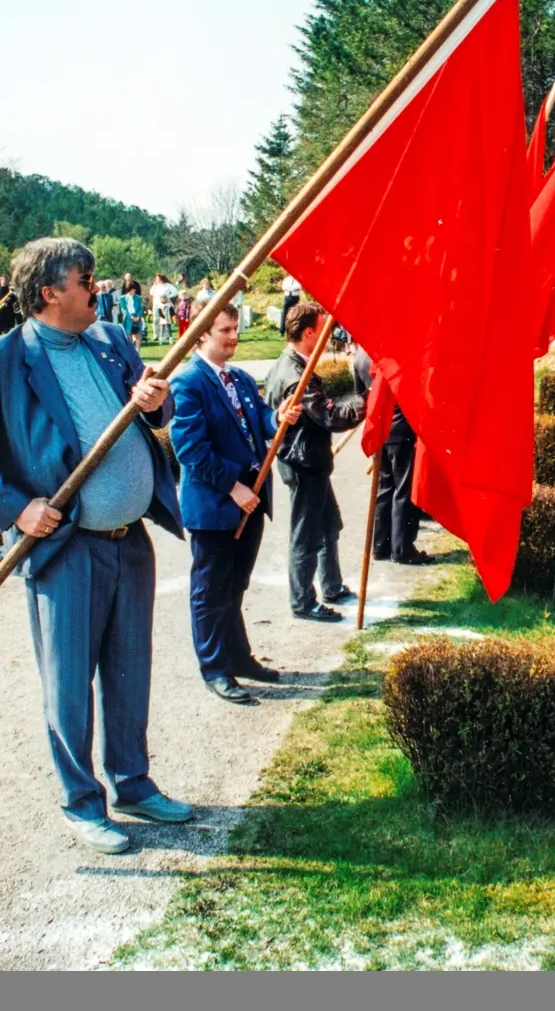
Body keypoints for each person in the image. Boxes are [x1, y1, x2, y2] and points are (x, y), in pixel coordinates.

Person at [0, 237, 191, 855]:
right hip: (66, 550)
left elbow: (146, 421)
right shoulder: (7, 361)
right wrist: (16, 508)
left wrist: (156, 410)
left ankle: (133, 783)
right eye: (86, 278)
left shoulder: (110, 341)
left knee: (130, 672)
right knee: (69, 682)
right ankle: (82, 803)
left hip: (129, 540)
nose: (97, 287)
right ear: (49, 292)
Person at [170, 304, 301, 703]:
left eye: (235, 328)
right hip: (216, 506)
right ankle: (214, 667)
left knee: (235, 585)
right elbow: (190, 449)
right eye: (225, 330)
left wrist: (278, 416)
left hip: (251, 499)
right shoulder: (188, 383)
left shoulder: (240, 377)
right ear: (201, 335)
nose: (233, 336)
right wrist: (233, 486)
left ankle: (238, 656)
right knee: (210, 590)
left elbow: (260, 419)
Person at [264, 301, 365, 622]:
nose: (328, 336)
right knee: (306, 534)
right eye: (323, 331)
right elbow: (330, 415)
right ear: (309, 333)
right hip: (303, 462)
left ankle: (331, 585)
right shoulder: (296, 374)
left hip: (310, 460)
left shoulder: (291, 363)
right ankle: (303, 601)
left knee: (328, 525)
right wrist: (369, 399)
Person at [353, 347, 434, 565]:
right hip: (401, 430)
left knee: (385, 488)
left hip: (380, 428)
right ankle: (402, 549)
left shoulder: (361, 353)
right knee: (403, 490)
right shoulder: (396, 353)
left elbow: (360, 394)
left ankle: (381, 546)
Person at [120, 282, 144, 351]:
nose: (135, 291)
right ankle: (131, 352)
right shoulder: (123, 298)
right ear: (129, 290)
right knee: (129, 336)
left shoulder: (138, 298)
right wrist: (131, 317)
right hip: (128, 318)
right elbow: (123, 309)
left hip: (137, 317)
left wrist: (138, 316)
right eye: (133, 289)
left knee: (138, 335)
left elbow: (141, 308)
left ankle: (137, 352)